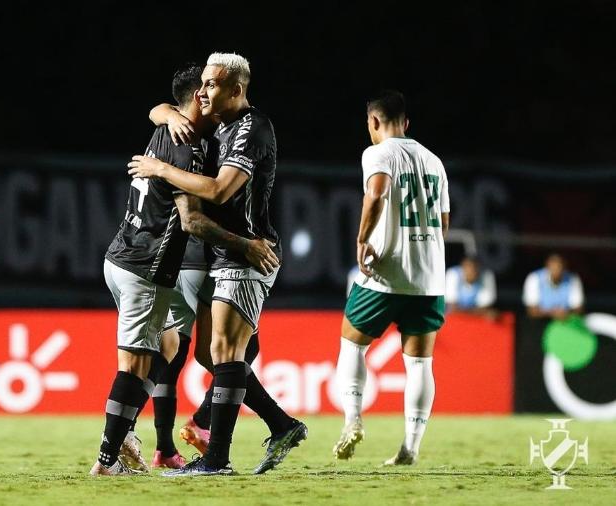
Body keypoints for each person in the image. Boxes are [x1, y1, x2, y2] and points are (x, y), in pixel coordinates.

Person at [93, 65, 277, 476]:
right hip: (147, 265)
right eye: (206, 90)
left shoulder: (166, 128)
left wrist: (164, 113)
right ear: (198, 98)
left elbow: (158, 110)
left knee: (166, 353)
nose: (211, 96)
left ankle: (140, 442)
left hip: (121, 256)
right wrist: (247, 244)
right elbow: (194, 219)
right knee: (143, 365)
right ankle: (111, 457)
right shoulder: (190, 147)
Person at [129, 52, 306, 477]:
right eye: (202, 85)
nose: (203, 92)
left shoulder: (250, 128)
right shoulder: (221, 124)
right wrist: (167, 112)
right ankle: (281, 426)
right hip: (226, 255)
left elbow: (220, 190)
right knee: (217, 356)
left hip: (248, 251)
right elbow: (164, 106)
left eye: (211, 85)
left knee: (225, 352)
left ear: (236, 90)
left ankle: (217, 460)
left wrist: (161, 168)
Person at [331, 90, 449, 466]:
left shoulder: (377, 153)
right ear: (407, 123)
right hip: (429, 278)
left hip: (386, 271)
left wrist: (363, 237)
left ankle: (353, 419)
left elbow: (377, 192)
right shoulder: (434, 161)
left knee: (352, 343)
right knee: (419, 364)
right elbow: (443, 224)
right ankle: (410, 448)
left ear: (374, 122)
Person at [523, 253, 584, 319]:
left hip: (566, 321)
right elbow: (531, 311)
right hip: (540, 322)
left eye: (559, 267)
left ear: (564, 268)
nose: (556, 270)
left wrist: (564, 314)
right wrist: (553, 313)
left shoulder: (572, 279)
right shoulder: (534, 278)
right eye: (553, 267)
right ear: (547, 267)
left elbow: (578, 309)